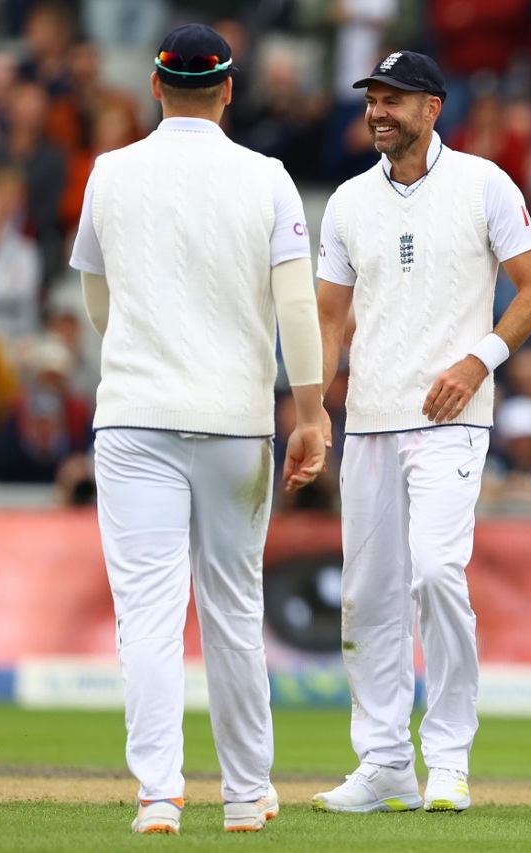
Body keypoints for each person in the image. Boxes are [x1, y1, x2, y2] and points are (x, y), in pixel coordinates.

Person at [68, 24, 326, 835]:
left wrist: (137, 357)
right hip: (231, 421)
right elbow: (294, 305)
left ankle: (158, 795)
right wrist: (312, 411)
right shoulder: (267, 176)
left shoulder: (109, 172)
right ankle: (246, 793)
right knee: (231, 607)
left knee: (145, 614)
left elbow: (97, 300)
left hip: (135, 413)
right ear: (228, 89)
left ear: (154, 85)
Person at [311, 50, 531, 815]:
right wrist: (314, 407)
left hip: (453, 416)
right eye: (373, 99)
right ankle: (384, 762)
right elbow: (326, 315)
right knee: (368, 596)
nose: (379, 111)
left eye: (394, 100)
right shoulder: (348, 199)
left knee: (438, 574)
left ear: (432, 108)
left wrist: (477, 362)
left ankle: (447, 758)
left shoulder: (485, 183)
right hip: (372, 419)